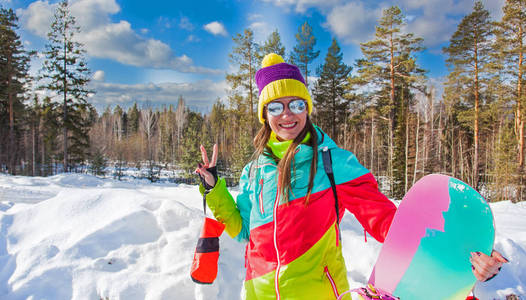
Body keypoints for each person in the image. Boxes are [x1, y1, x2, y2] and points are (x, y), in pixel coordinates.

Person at [195, 53, 507, 300]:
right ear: (265, 114)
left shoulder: (334, 164)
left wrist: (464, 252)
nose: (287, 114)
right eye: (275, 106)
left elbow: (392, 225)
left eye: (296, 104)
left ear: (308, 108)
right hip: (256, 295)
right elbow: (244, 231)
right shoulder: (254, 171)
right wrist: (213, 189)